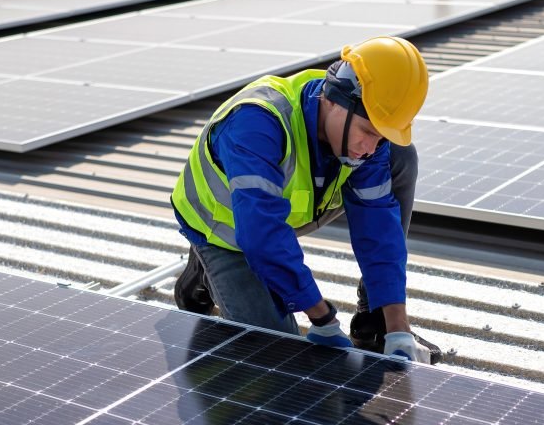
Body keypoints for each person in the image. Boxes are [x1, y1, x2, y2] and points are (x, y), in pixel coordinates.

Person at [170, 35, 440, 364]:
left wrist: (397, 326)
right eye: (368, 132)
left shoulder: (359, 126)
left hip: (284, 210)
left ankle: (374, 320)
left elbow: (378, 226)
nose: (370, 147)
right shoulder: (257, 124)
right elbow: (262, 235)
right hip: (223, 229)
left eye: (379, 136)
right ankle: (204, 269)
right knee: (274, 353)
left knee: (400, 157)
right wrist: (322, 317)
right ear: (337, 100)